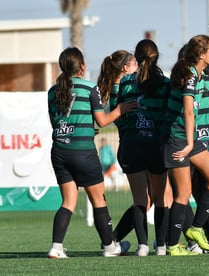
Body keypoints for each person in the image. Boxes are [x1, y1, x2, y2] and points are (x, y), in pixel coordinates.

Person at [47, 47, 135, 258]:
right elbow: (103, 121)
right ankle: (109, 247)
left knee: (68, 202)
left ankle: (56, 247)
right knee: (99, 201)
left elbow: (57, 122)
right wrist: (121, 109)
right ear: (82, 66)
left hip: (59, 151)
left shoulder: (52, 91)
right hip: (83, 152)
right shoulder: (89, 88)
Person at [98, 42, 171, 257]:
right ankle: (161, 246)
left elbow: (117, 116)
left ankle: (142, 246)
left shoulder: (126, 82)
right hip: (156, 145)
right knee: (160, 199)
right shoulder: (165, 84)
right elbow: (169, 113)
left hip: (132, 144)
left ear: (137, 60)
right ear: (156, 57)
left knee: (140, 199)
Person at [162, 34, 209, 256]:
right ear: (201, 54)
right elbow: (189, 111)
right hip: (178, 140)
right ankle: (173, 246)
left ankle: (195, 229)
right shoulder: (190, 76)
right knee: (183, 194)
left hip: (189, 140)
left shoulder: (199, 75)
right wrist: (191, 143)